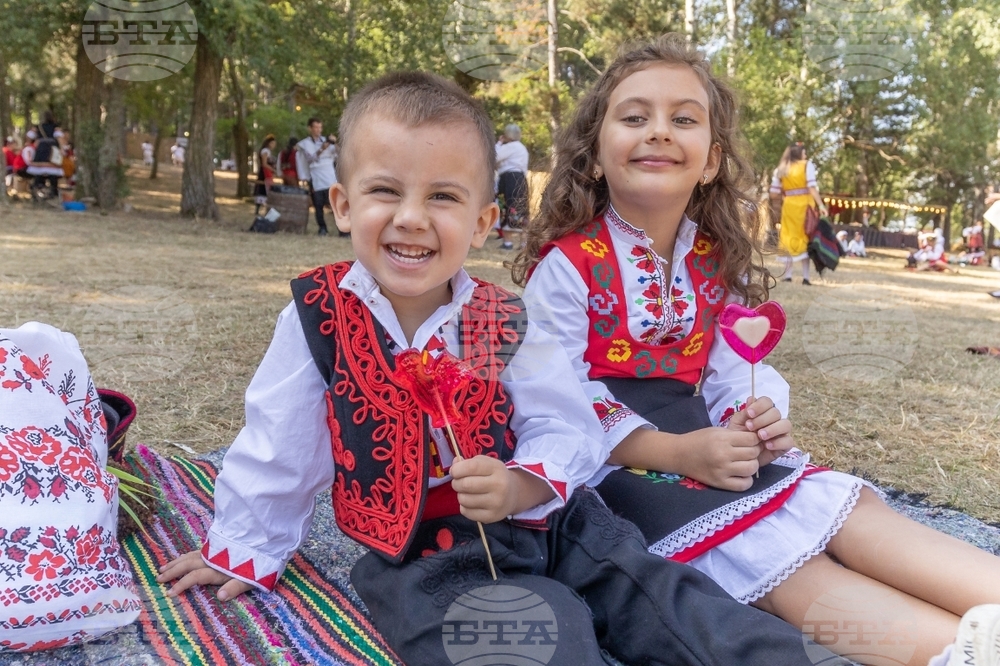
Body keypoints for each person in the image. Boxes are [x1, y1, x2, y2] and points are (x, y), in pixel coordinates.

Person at [156, 71, 855, 666]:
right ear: (341, 205)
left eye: (443, 197)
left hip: (559, 521)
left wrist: (524, 482)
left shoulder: (503, 319)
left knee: (674, 602)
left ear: (485, 222)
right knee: (540, 636)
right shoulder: (318, 316)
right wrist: (242, 548)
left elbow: (566, 422)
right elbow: (278, 446)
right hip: (426, 553)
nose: (411, 219)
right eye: (384, 193)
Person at [515, 34, 1000, 666]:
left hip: (710, 440)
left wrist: (755, 414)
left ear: (710, 160)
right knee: (783, 566)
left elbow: (733, 371)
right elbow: (558, 400)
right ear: (596, 155)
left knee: (852, 515)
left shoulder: (714, 261)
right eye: (635, 117)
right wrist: (678, 453)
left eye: (682, 119)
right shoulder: (567, 267)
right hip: (614, 469)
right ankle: (953, 655)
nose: (659, 131)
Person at [769, 142, 828, 285]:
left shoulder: (781, 169)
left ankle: (788, 275)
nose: (805, 155)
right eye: (804, 152)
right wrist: (821, 205)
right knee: (805, 239)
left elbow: (773, 193)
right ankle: (806, 277)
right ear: (799, 153)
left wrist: (787, 191)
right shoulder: (807, 165)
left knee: (788, 238)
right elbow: (812, 187)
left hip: (789, 207)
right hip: (805, 207)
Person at [296, 118, 339, 236]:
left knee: (335, 204)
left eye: (320, 127)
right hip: (316, 176)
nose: (318, 130)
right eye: (315, 127)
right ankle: (322, 228)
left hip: (330, 175)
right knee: (318, 205)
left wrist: (335, 143)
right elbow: (310, 159)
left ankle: (342, 230)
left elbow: (339, 154)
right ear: (310, 128)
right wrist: (321, 149)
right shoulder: (305, 144)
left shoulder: (327, 141)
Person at [496, 123, 530, 250]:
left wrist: (499, 143)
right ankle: (524, 243)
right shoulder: (522, 148)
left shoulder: (511, 146)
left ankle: (508, 243)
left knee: (508, 206)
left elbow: (495, 157)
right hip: (521, 179)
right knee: (520, 208)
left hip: (510, 179)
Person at [254, 134, 277, 216]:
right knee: (262, 189)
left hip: (267, 172)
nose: (274, 145)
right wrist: (273, 170)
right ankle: (258, 209)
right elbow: (264, 164)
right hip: (265, 173)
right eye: (273, 143)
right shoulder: (265, 151)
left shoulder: (267, 151)